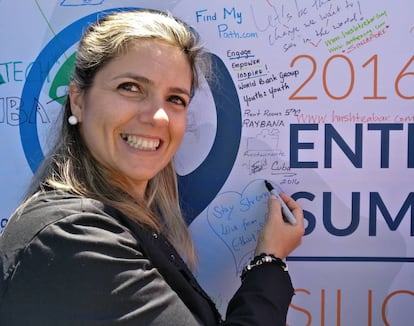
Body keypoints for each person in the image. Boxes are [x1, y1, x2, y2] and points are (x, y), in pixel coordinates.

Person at [0, 9, 304, 326]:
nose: (157, 116)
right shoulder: (70, 239)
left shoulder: (112, 222)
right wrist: (269, 263)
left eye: (175, 98)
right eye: (131, 87)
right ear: (78, 100)